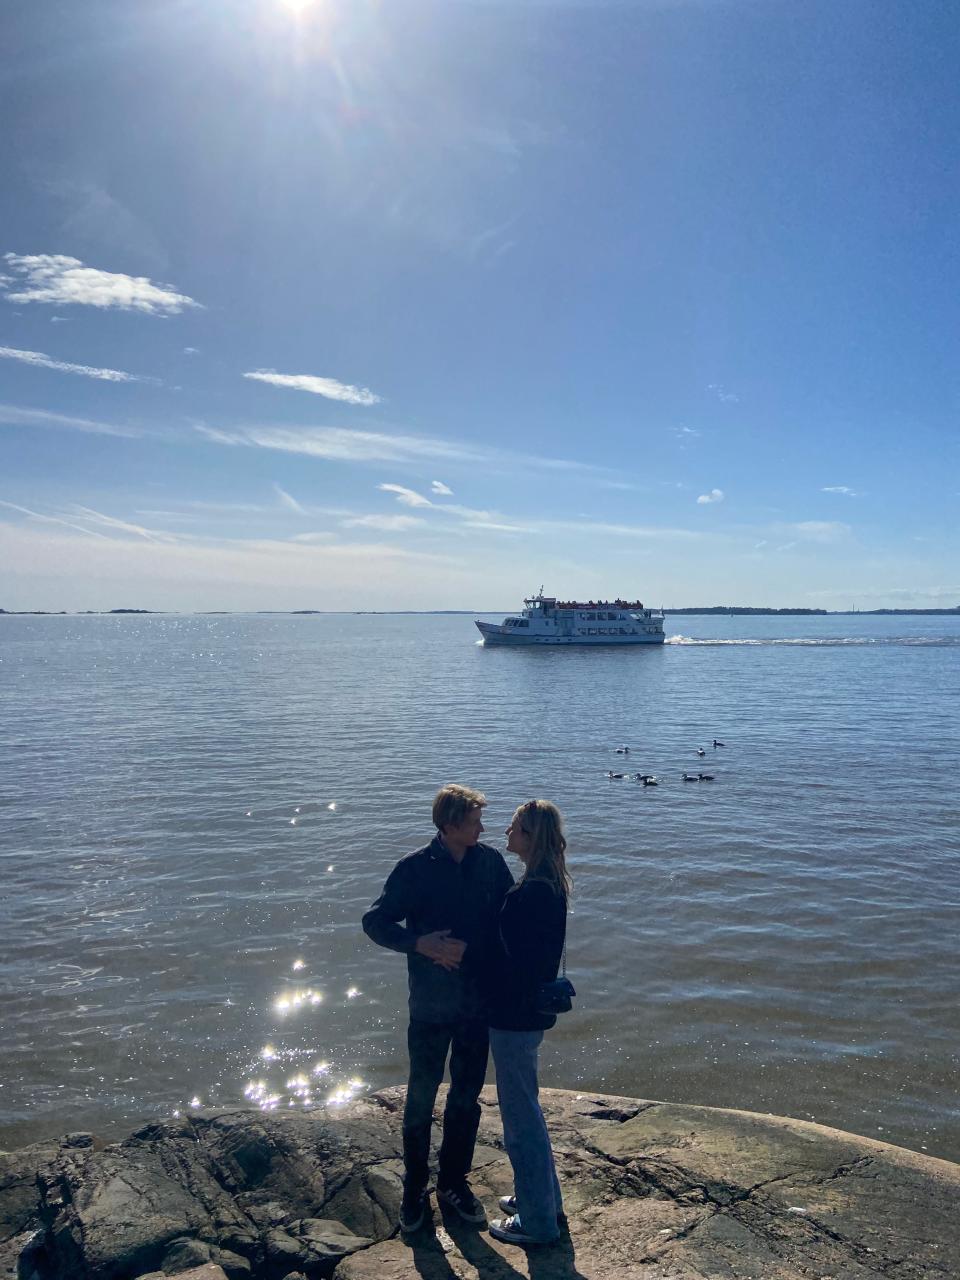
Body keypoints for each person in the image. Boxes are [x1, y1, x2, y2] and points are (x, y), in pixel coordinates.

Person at [362, 784, 514, 1234]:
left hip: (476, 1006)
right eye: (473, 823)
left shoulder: (490, 863)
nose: (482, 829)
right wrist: (419, 944)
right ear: (448, 827)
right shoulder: (413, 870)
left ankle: (453, 1182)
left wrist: (476, 952)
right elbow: (374, 922)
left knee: (466, 1100)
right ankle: (414, 1188)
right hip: (429, 1008)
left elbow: (510, 922)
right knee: (420, 1098)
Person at [486, 799, 571, 1247]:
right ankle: (543, 1201)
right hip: (531, 1013)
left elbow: (511, 962)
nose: (505, 832)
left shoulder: (528, 895)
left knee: (521, 1123)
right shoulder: (550, 885)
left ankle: (538, 1222)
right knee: (528, 1112)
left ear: (531, 836)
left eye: (515, 827)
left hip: (513, 1017)